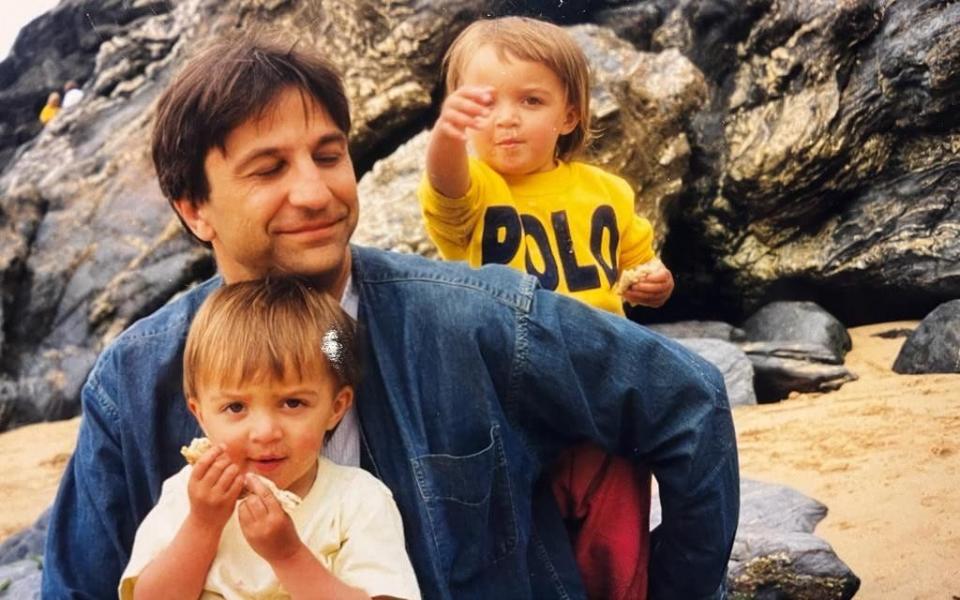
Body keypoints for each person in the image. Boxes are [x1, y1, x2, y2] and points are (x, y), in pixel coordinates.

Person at [42, 33, 738, 600]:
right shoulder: (134, 382)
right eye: (268, 169)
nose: (314, 192)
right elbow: (78, 588)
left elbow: (691, 402)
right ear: (194, 209)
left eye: (328, 155)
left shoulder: (477, 318)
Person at [417, 16, 674, 599]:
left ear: (569, 115)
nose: (506, 117)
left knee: (617, 529)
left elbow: (641, 262)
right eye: (484, 104)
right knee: (527, 533)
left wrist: (655, 283)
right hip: (514, 397)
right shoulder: (478, 191)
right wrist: (447, 137)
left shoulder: (607, 192)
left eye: (531, 100)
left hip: (601, 392)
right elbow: (446, 184)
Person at [119, 277, 420, 599]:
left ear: (336, 408)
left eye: (293, 403)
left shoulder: (356, 500)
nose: (265, 432)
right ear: (200, 415)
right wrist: (203, 525)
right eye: (235, 407)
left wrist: (289, 555)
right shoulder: (189, 496)